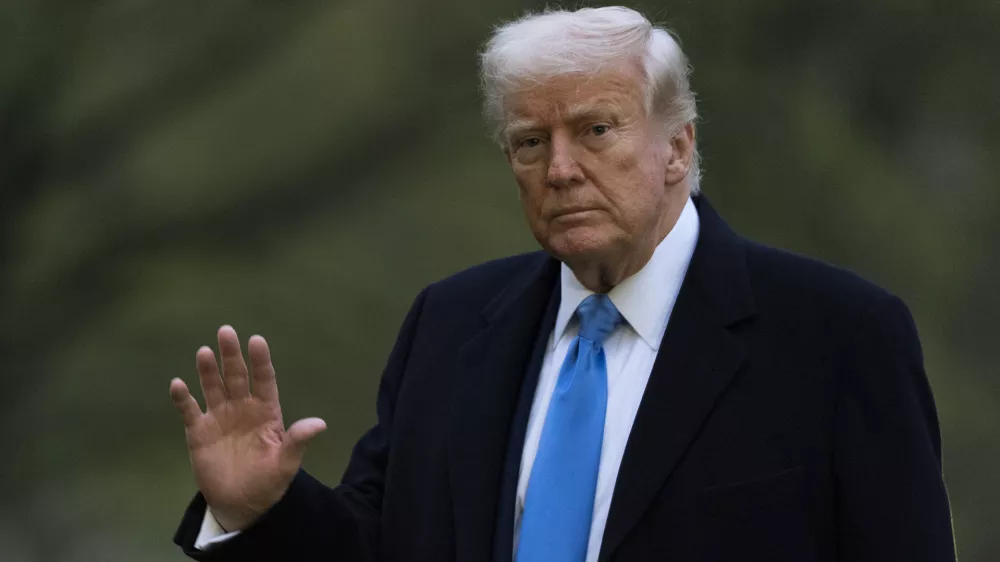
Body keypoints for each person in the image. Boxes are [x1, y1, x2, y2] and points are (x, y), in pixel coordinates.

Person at [169, 6, 956, 562]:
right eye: (529, 141)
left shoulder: (839, 337)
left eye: (596, 130)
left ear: (677, 147)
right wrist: (257, 510)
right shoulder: (450, 326)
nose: (561, 169)